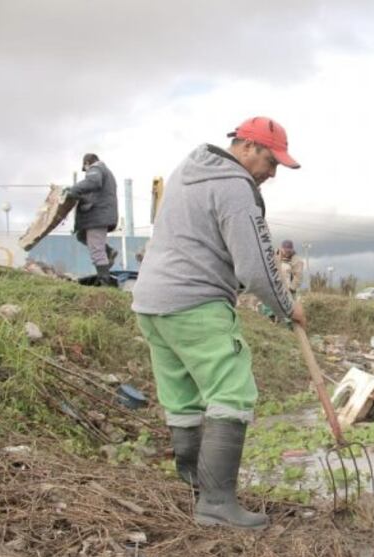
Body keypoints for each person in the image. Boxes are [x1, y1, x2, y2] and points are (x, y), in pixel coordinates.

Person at [132, 116, 305, 530]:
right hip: (196, 303)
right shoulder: (234, 185)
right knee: (233, 392)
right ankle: (215, 504)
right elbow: (257, 266)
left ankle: (193, 490)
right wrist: (288, 306)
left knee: (183, 397)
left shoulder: (187, 172)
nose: (272, 174)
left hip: (152, 304)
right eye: (272, 162)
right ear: (247, 147)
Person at [65, 153, 119, 286]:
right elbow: (93, 192)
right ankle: (108, 251)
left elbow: (93, 182)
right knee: (82, 236)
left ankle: (104, 282)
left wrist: (73, 190)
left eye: (85, 168)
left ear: (87, 163)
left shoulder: (96, 168)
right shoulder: (105, 172)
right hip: (98, 214)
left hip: (97, 215)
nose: (86, 171)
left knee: (96, 248)